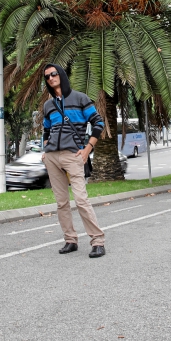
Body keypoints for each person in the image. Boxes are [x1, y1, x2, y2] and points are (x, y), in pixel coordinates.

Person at [41, 64, 106, 258]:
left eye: (53, 74)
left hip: (73, 155)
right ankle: (70, 240)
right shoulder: (48, 105)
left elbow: (98, 123)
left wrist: (88, 149)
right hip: (52, 157)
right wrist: (46, 148)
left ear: (60, 74)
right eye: (47, 77)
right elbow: (46, 129)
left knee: (81, 199)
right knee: (61, 203)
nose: (51, 78)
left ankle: (98, 241)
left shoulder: (80, 98)